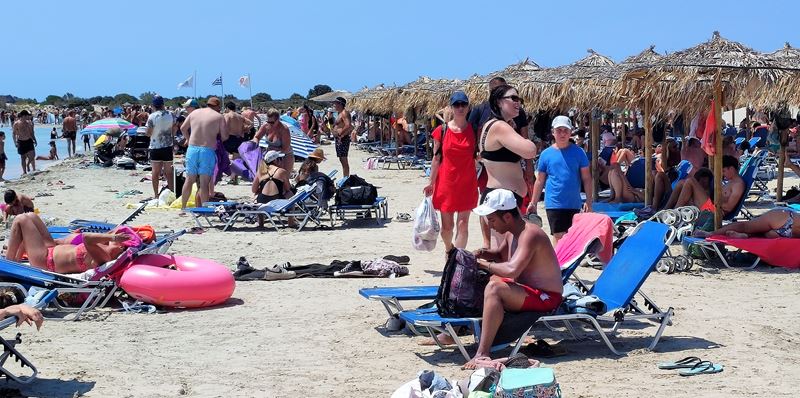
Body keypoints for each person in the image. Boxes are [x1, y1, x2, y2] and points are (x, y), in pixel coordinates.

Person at [463, 189, 563, 369]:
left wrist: (482, 265)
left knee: (494, 287)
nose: (490, 225)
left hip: (547, 297)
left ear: (507, 217)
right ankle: (454, 332)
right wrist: (482, 254)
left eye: (492, 219)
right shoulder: (512, 232)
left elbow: (511, 269)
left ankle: (482, 353)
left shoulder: (530, 234)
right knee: (485, 282)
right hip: (526, 291)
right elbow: (501, 255)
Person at [469, 78, 533, 249]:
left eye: (519, 99)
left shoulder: (496, 125)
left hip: (502, 197)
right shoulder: (499, 127)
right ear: (498, 102)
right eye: (513, 98)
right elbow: (530, 150)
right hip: (501, 199)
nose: (518, 102)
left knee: (505, 252)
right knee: (504, 254)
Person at [423, 91, 478, 253]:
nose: (460, 108)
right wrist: (430, 182)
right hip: (446, 183)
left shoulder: (475, 131)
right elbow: (436, 159)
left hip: (467, 182)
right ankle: (449, 250)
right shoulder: (442, 130)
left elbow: (480, 154)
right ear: (451, 108)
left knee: (463, 224)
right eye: (457, 105)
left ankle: (457, 258)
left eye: (464, 104)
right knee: (447, 228)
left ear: (468, 107)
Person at [5, 213, 136, 273]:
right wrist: (111, 236)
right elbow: (98, 238)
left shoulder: (105, 256)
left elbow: (87, 238)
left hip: (45, 261)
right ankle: (16, 259)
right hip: (50, 249)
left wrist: (113, 238)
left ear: (120, 247)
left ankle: (8, 264)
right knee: (31, 216)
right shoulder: (105, 249)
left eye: (121, 242)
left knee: (21, 219)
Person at [530, 116, 592, 241]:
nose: (562, 133)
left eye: (565, 130)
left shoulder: (579, 152)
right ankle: (558, 260)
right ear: (553, 132)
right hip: (554, 203)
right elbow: (540, 180)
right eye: (559, 130)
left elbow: (587, 178)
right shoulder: (546, 154)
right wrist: (533, 202)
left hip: (574, 202)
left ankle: (566, 260)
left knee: (572, 237)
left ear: (570, 132)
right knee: (559, 237)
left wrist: (589, 201)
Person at [179, 97, 228, 209]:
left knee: (189, 180)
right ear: (217, 106)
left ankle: (183, 207)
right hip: (207, 150)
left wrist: (189, 138)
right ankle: (204, 209)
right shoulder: (219, 117)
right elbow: (225, 137)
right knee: (204, 182)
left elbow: (182, 128)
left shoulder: (195, 113)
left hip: (192, 149)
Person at [668, 156, 744, 216]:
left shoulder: (738, 185)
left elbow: (729, 207)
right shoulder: (731, 181)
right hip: (711, 205)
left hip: (714, 212)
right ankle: (666, 209)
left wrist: (714, 202)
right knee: (682, 183)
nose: (723, 174)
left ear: (731, 168)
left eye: (724, 171)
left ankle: (674, 213)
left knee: (690, 181)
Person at [695, 208, 800, 239]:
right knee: (747, 226)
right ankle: (711, 234)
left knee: (765, 234)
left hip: (787, 224)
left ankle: (745, 235)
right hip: (788, 222)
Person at [252, 150, 294, 228]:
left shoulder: (261, 171)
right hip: (276, 200)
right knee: (291, 194)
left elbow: (253, 190)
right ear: (275, 160)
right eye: (280, 159)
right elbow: (288, 188)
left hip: (262, 201)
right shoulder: (281, 171)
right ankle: (291, 222)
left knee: (256, 194)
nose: (282, 161)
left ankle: (261, 222)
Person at [146, 95, 176, 199]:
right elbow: (174, 128)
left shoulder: (152, 117)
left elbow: (148, 133)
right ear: (163, 104)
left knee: (155, 172)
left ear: (153, 105)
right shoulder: (171, 115)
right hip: (167, 146)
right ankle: (172, 193)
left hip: (155, 146)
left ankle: (155, 195)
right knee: (169, 172)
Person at [331, 97, 353, 176]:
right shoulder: (339, 113)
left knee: (344, 160)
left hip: (342, 138)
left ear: (340, 104)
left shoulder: (344, 113)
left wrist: (341, 134)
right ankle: (345, 177)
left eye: (335, 103)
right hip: (339, 138)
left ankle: (346, 178)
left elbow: (348, 125)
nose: (334, 105)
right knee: (341, 159)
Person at [13, 110, 36, 175]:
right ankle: (24, 172)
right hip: (21, 141)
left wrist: (35, 140)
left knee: (33, 155)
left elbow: (32, 133)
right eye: (27, 115)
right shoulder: (16, 123)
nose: (28, 117)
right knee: (23, 158)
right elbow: (14, 134)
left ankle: (28, 164)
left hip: (29, 140)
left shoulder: (29, 123)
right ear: (23, 116)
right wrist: (15, 143)